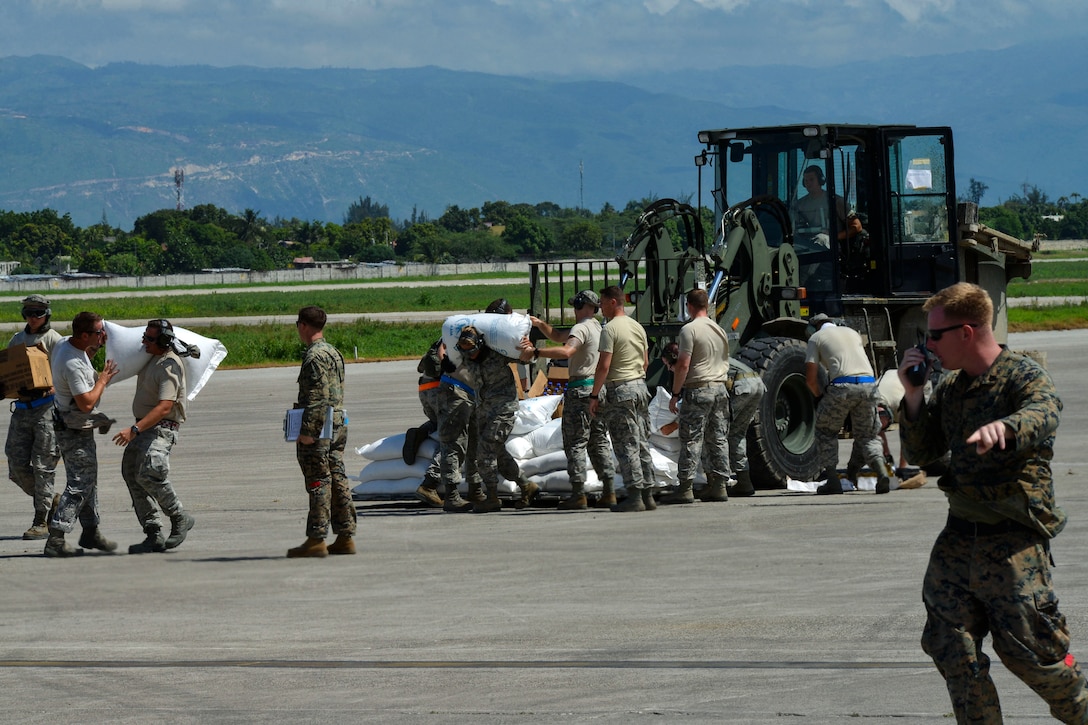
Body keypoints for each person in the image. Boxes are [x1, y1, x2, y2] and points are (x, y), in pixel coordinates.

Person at [898, 282, 1088, 723]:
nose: (928, 346)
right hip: (960, 535)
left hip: (1013, 541)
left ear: (967, 332)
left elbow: (1045, 409)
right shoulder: (949, 387)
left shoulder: (1022, 375)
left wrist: (1006, 428)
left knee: (1031, 654)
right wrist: (913, 397)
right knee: (950, 646)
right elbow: (924, 453)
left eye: (934, 336)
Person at [520, 289, 615, 510]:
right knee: (598, 440)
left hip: (580, 389)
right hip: (598, 389)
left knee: (575, 443)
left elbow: (566, 350)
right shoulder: (596, 327)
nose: (574, 310)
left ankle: (578, 493)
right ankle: (609, 490)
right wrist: (540, 324)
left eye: (576, 306)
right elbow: (559, 336)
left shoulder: (581, 327)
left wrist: (536, 353)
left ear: (584, 306)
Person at [111, 319, 197, 554]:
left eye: (149, 339)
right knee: (131, 473)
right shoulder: (151, 358)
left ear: (163, 341)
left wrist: (134, 429)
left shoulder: (168, 365)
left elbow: (164, 406)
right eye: (144, 337)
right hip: (144, 427)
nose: (144, 342)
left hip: (160, 427)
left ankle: (180, 517)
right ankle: (153, 532)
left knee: (150, 472)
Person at [45, 311, 119, 557]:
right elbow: (86, 403)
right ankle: (56, 539)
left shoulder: (67, 343)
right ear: (85, 334)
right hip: (73, 429)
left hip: (76, 426)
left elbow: (85, 354)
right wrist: (103, 380)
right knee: (79, 483)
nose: (103, 336)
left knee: (89, 479)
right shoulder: (71, 363)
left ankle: (91, 531)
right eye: (99, 332)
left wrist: (97, 347)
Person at [287, 306, 355, 558]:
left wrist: (308, 431)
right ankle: (345, 534)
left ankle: (316, 538)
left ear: (303, 325)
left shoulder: (314, 356)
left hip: (320, 425)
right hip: (337, 423)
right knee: (337, 476)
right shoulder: (333, 352)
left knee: (318, 480)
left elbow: (318, 397)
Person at [804, 312, 891, 495]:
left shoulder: (816, 337)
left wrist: (820, 398)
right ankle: (881, 472)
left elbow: (810, 380)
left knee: (826, 431)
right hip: (869, 384)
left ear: (814, 326)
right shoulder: (852, 332)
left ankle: (832, 480)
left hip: (842, 387)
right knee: (867, 435)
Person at [661, 288, 731, 505]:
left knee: (691, 438)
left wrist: (675, 394)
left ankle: (685, 488)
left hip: (699, 389)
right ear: (707, 305)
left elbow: (682, 364)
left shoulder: (688, 330)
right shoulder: (719, 330)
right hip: (720, 388)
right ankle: (718, 485)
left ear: (688, 306)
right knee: (717, 438)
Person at [457, 325, 538, 512]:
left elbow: (525, 358)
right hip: (484, 409)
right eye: (465, 349)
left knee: (484, 453)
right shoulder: (466, 356)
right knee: (498, 453)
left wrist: (528, 346)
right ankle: (526, 486)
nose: (470, 353)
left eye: (472, 348)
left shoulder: (497, 353)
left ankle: (492, 497)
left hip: (503, 409)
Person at [589, 285, 654, 513]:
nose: (601, 308)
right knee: (642, 441)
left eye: (603, 303)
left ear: (613, 302)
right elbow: (645, 362)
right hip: (640, 387)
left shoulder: (610, 329)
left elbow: (604, 365)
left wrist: (595, 395)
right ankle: (648, 494)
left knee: (626, 443)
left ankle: (635, 495)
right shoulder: (637, 326)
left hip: (621, 390)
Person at [5, 294, 63, 540]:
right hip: (22, 409)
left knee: (43, 467)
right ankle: (53, 500)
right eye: (29, 312)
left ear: (46, 315)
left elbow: (65, 373)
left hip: (47, 410)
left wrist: (52, 386)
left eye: (38, 313)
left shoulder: (55, 340)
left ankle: (41, 520)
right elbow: (8, 370)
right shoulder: (18, 340)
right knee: (16, 467)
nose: (33, 317)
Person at [725, 356, 766, 498]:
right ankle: (744, 482)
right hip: (756, 383)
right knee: (737, 434)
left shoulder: (698, 358)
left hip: (742, 385)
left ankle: (719, 482)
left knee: (719, 432)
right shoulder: (716, 352)